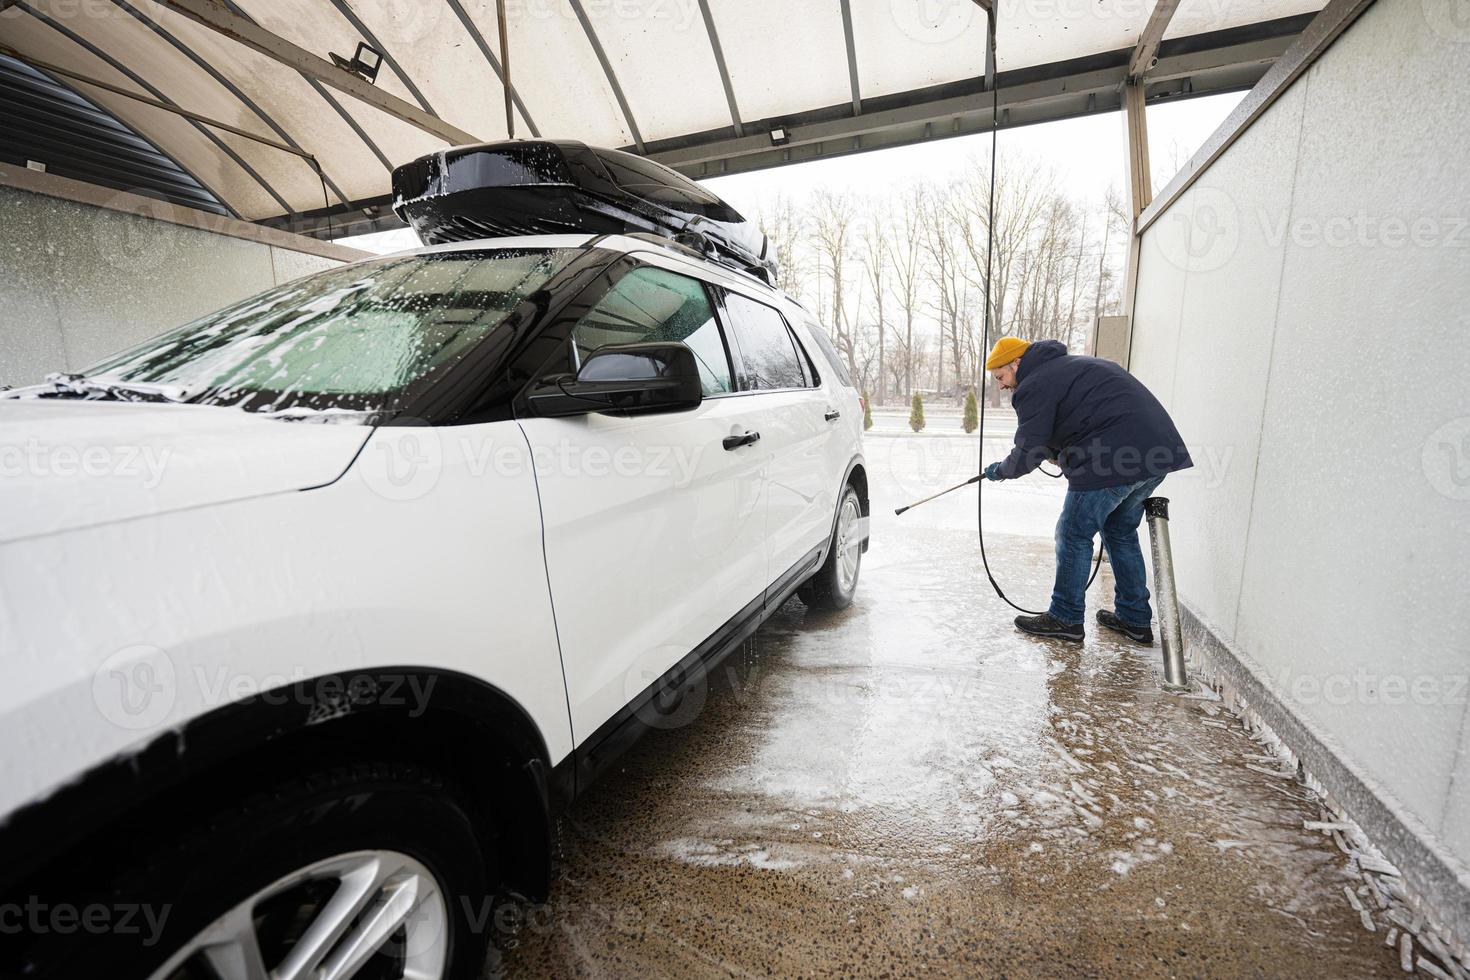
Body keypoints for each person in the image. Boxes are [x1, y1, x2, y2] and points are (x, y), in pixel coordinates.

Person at [980, 336, 1192, 644]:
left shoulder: (1033, 385)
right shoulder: (1071, 367)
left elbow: (1030, 447)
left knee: (1073, 533)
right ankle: (1134, 619)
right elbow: (1078, 420)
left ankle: (1065, 617)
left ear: (1017, 363)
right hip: (1157, 454)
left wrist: (1002, 470)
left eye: (1001, 376)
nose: (1001, 385)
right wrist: (1058, 453)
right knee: (1119, 531)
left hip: (1113, 460)